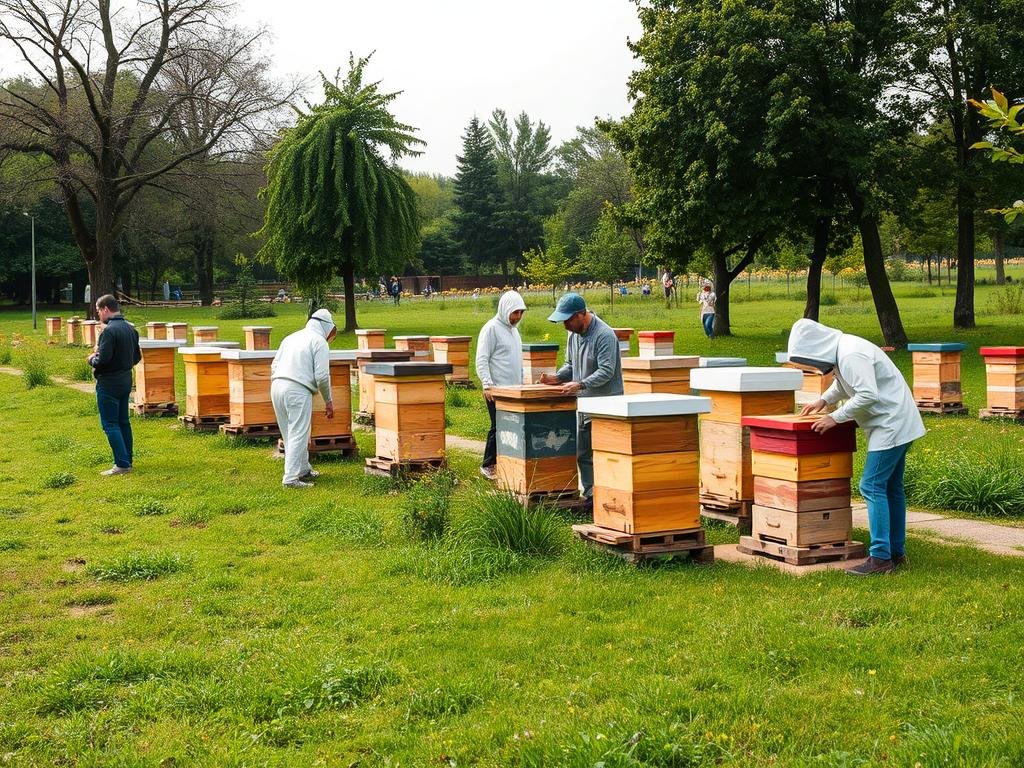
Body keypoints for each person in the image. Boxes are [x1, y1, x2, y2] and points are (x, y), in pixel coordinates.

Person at [788, 318, 926, 575]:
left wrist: (834, 417)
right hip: (896, 421)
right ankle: (895, 553)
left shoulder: (851, 354)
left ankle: (880, 559)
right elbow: (844, 383)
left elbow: (867, 394)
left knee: (871, 485)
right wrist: (823, 400)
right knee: (891, 488)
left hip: (890, 425)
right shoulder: (844, 350)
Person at [540, 292, 623, 509]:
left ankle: (608, 494)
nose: (565, 325)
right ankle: (591, 496)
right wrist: (557, 377)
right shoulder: (573, 335)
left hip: (606, 405)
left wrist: (580, 384)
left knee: (605, 454)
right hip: (583, 404)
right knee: (583, 453)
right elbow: (570, 365)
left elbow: (607, 370)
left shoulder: (604, 335)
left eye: (567, 319)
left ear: (580, 314)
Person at [271, 308, 337, 488]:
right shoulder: (319, 342)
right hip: (297, 390)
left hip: (276, 386)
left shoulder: (291, 337)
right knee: (299, 433)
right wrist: (328, 401)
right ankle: (291, 479)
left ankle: (303, 468)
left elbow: (274, 364)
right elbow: (322, 376)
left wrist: (282, 380)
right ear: (327, 326)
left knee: (290, 432)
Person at [475, 291, 528, 480]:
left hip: (514, 390)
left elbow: (517, 360)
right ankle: (488, 464)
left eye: (521, 313)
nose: (518, 317)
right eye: (515, 313)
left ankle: (505, 462)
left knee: (511, 427)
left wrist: (522, 383)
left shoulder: (514, 331)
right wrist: (487, 385)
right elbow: (482, 358)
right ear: (506, 309)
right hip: (496, 389)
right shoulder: (491, 329)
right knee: (498, 426)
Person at [88, 295, 142, 476]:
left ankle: (122, 464)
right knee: (124, 422)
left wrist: (91, 359)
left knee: (110, 424)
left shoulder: (109, 332)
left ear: (105, 309)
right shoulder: (130, 329)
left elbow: (102, 360)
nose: (98, 315)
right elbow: (137, 358)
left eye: (98, 311)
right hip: (126, 380)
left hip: (109, 382)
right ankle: (128, 460)